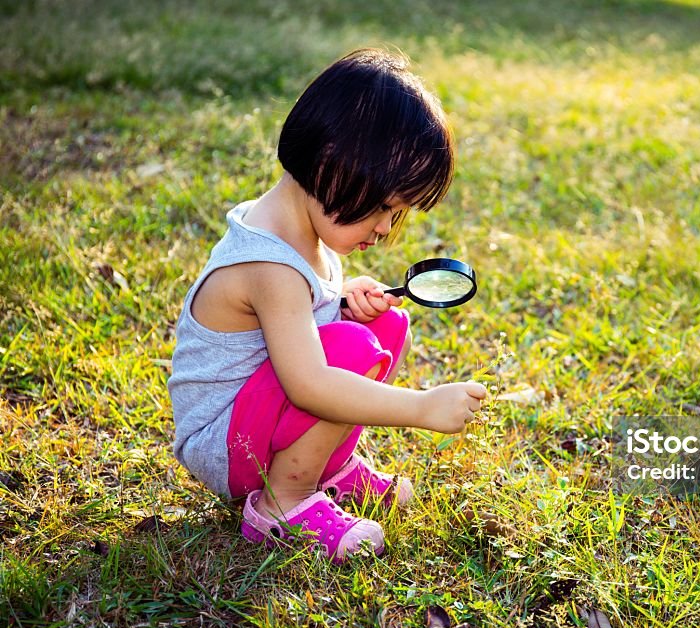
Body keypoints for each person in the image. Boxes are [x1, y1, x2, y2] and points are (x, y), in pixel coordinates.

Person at [168, 48, 487, 564]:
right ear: (331, 162)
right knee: (353, 350)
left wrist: (339, 299)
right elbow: (309, 384)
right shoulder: (269, 265)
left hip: (256, 417)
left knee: (385, 322)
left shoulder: (300, 228)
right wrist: (421, 407)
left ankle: (328, 471)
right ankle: (282, 503)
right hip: (225, 445)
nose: (385, 228)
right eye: (384, 207)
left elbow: (292, 324)